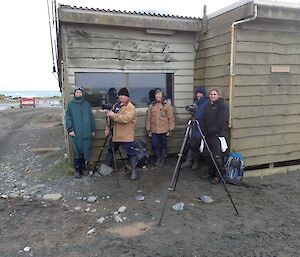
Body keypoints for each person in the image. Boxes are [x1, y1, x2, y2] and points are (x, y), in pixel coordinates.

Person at [103, 87, 138, 180]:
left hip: (126, 135)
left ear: (127, 97)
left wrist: (113, 115)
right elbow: (110, 119)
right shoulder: (116, 105)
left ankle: (134, 171)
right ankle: (104, 169)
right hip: (115, 134)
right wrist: (107, 128)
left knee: (130, 152)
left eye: (123, 95)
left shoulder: (131, 107)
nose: (121, 97)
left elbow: (126, 119)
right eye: (120, 95)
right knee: (111, 150)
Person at [65, 87, 96, 178]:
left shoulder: (87, 104)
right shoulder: (71, 105)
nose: (78, 93)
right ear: (74, 94)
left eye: (80, 92)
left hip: (86, 131)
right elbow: (68, 118)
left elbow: (91, 117)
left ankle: (83, 168)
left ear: (82, 94)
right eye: (77, 92)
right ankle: (77, 170)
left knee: (85, 149)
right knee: (77, 150)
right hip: (76, 132)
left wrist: (93, 129)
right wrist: (70, 129)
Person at [200, 88, 228, 184]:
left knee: (217, 156)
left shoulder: (222, 106)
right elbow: (203, 119)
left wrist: (212, 130)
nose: (212, 96)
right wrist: (204, 130)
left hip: (216, 135)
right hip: (207, 135)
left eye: (214, 94)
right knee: (207, 155)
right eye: (211, 94)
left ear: (218, 95)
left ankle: (218, 175)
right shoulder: (207, 106)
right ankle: (210, 172)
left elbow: (221, 120)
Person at [146, 88, 175, 167]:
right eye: (156, 94)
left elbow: (171, 118)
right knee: (154, 144)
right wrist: (148, 129)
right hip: (154, 130)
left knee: (163, 145)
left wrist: (171, 129)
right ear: (154, 96)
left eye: (159, 94)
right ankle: (158, 158)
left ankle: (162, 160)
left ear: (162, 95)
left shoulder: (166, 105)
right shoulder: (152, 106)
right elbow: (148, 118)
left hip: (164, 130)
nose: (158, 96)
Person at [181, 86, 208, 170]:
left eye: (200, 93)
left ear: (203, 94)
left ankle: (197, 161)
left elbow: (204, 115)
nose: (198, 95)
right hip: (194, 126)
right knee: (190, 143)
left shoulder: (206, 103)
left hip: (201, 126)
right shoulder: (196, 102)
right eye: (197, 93)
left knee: (197, 144)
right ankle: (189, 160)